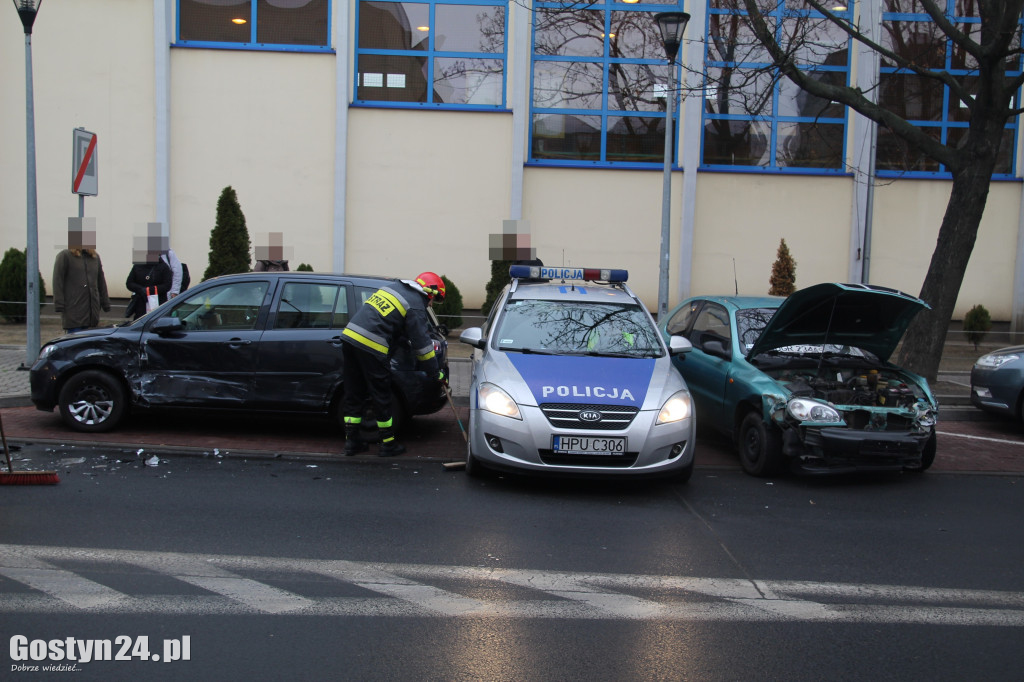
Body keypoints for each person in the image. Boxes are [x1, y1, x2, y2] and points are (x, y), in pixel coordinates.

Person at [341, 272, 446, 456]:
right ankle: (387, 444)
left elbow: (392, 321)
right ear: (429, 292)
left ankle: (352, 442)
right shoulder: (415, 304)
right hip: (371, 345)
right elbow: (423, 346)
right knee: (381, 394)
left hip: (349, 338)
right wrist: (435, 373)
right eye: (433, 300)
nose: (431, 304)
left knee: (354, 391)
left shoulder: (394, 288)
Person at [52, 229, 111, 334]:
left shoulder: (95, 258)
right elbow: (57, 281)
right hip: (74, 312)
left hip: (92, 313)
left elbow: (101, 282)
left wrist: (105, 303)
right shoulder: (65, 256)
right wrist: (59, 304)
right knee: (75, 344)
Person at [125, 253, 173, 320]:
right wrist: (141, 289)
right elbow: (129, 283)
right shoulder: (138, 266)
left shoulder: (164, 267)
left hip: (158, 302)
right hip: (140, 303)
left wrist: (149, 290)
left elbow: (167, 285)